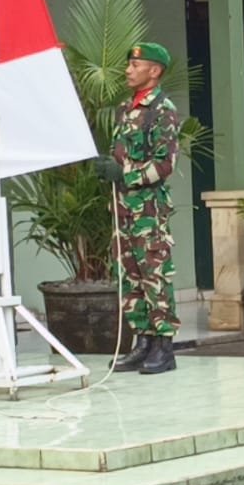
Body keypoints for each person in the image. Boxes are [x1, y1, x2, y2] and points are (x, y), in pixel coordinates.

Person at [99, 42, 182, 375]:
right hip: (122, 208)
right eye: (129, 65)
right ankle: (143, 341)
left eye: (136, 65)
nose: (128, 70)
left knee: (154, 273)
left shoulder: (162, 110)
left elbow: (165, 164)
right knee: (129, 274)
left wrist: (125, 174)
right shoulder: (125, 108)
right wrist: (108, 167)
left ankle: (164, 346)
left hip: (148, 209)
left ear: (154, 71)